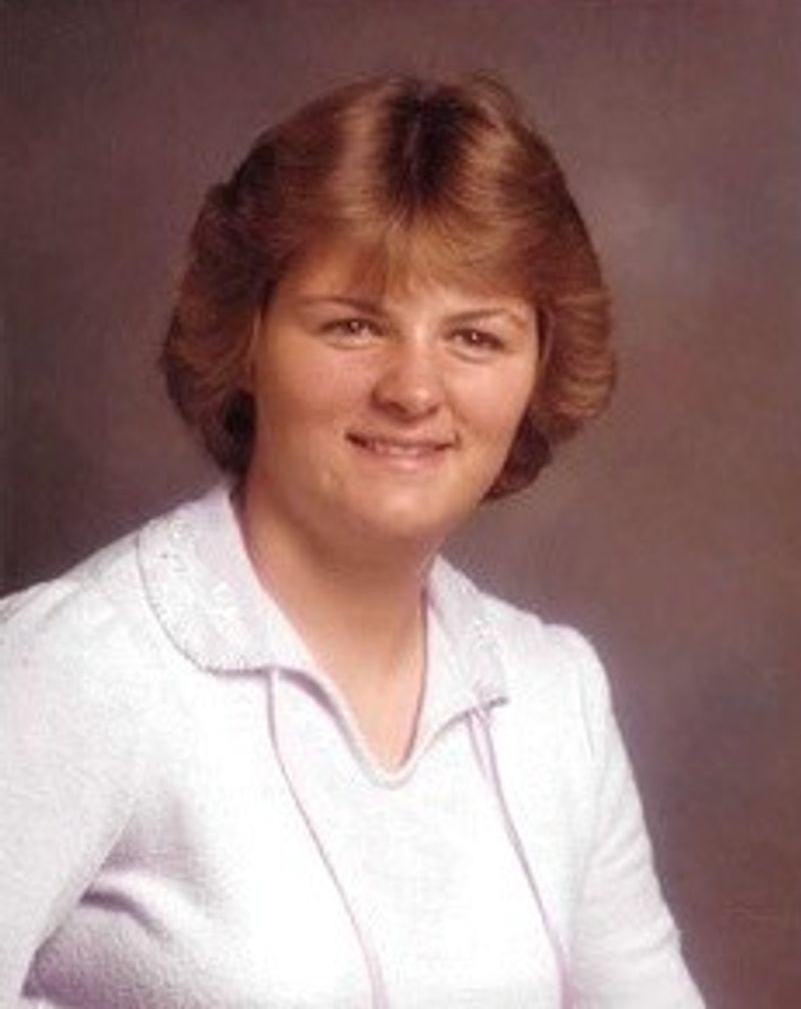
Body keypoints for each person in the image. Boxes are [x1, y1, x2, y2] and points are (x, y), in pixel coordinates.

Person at [0, 75, 704, 1008]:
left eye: (475, 338)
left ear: (539, 367)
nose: (413, 389)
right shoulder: (78, 670)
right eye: (354, 325)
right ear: (247, 340)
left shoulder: (552, 693)